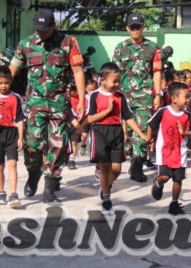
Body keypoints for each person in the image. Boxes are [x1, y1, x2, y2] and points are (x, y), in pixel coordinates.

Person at [0, 7, 86, 203]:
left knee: (58, 144)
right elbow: (11, 71)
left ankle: (50, 184)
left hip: (60, 102)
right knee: (32, 145)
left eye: (44, 29)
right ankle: (34, 173)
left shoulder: (68, 42)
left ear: (54, 26)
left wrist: (82, 100)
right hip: (34, 103)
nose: (40, 33)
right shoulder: (26, 44)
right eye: (37, 29)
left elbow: (77, 71)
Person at [85, 62, 146, 213]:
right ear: (103, 80)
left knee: (117, 169)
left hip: (116, 133)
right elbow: (91, 119)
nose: (117, 84)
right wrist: (108, 110)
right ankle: (106, 196)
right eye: (114, 81)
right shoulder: (94, 95)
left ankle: (106, 184)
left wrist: (141, 134)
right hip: (100, 132)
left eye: (119, 81)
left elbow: (128, 117)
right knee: (104, 168)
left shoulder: (120, 97)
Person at [112, 12, 162, 183]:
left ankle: (137, 165)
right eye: (132, 27)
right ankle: (131, 158)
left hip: (145, 95)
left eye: (138, 27)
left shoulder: (153, 47)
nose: (135, 30)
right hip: (124, 95)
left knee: (142, 128)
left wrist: (158, 94)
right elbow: (114, 73)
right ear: (127, 28)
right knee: (125, 131)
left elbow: (157, 72)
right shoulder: (120, 48)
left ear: (143, 27)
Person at [147, 82, 191, 216]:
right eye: (186, 97)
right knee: (165, 176)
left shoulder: (188, 116)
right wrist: (148, 138)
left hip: (180, 153)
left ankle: (174, 203)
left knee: (178, 180)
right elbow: (151, 124)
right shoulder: (163, 111)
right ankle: (158, 183)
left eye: (189, 97)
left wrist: (185, 133)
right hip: (164, 152)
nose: (188, 100)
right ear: (174, 98)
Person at [0, 66, 25, 208]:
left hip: (11, 134)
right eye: (0, 83)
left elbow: (20, 119)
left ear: (10, 82)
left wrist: (21, 137)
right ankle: (1, 193)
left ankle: (13, 193)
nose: (3, 86)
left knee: (12, 164)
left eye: (6, 83)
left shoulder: (16, 98)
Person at [67, 72, 96, 170]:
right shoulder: (66, 98)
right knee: (68, 142)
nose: (72, 93)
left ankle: (72, 160)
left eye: (74, 91)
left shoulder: (84, 97)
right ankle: (65, 157)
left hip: (81, 119)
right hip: (69, 120)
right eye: (71, 91)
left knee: (75, 141)